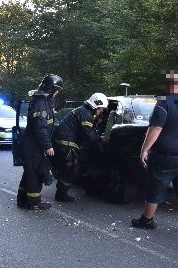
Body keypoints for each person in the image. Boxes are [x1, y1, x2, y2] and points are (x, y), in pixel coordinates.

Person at [131, 71, 178, 236]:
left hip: (166, 155)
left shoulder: (163, 103)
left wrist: (145, 149)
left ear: (168, 86)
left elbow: (156, 128)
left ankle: (147, 220)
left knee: (155, 186)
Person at [50, 92, 109, 202]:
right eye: (101, 109)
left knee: (75, 167)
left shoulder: (85, 111)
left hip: (66, 142)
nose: (101, 111)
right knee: (72, 169)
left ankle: (63, 190)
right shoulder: (85, 113)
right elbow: (89, 135)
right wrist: (101, 139)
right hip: (66, 143)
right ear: (95, 105)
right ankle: (61, 194)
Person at [17, 74, 62, 210]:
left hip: (31, 144)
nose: (58, 92)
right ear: (51, 88)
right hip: (34, 145)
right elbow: (40, 126)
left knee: (29, 172)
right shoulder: (41, 103)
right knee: (35, 173)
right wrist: (47, 145)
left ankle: (23, 200)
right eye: (57, 89)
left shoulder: (41, 101)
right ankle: (33, 202)